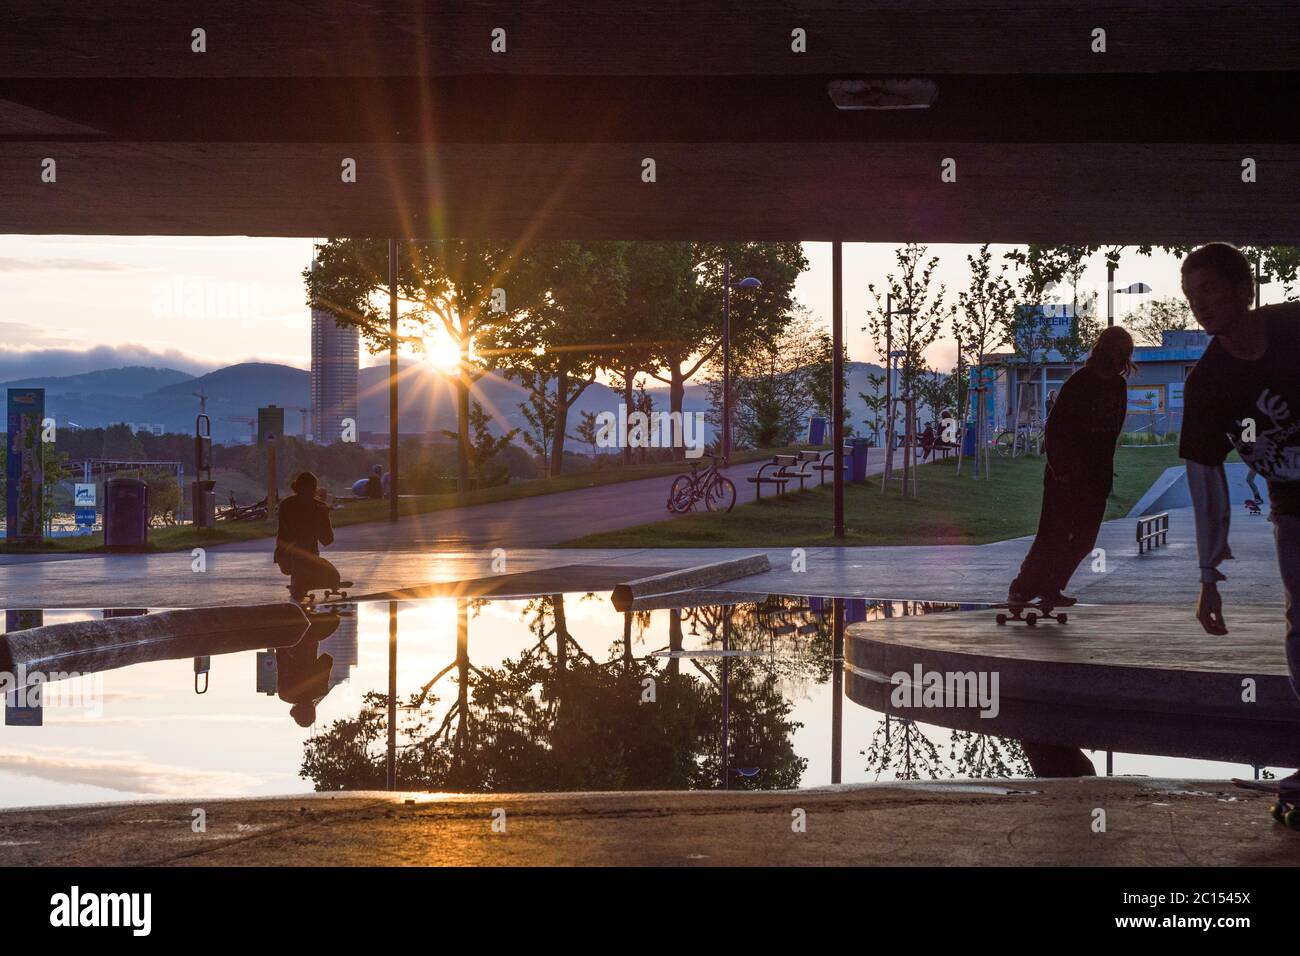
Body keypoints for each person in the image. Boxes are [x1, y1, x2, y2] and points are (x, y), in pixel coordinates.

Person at [1178, 242, 1300, 809]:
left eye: (1208, 289)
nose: (1198, 305)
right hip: (1293, 505)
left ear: (1243, 288)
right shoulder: (1208, 381)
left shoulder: (1295, 325)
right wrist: (1208, 576)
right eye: (1189, 295)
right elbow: (1205, 480)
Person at [1007, 326, 1135, 607]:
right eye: (1120, 350)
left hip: (1097, 476)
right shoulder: (1080, 382)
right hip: (1065, 475)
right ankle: (1022, 588)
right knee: (1053, 534)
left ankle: (1052, 586)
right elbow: (1054, 428)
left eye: (1126, 352)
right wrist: (1060, 468)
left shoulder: (1118, 386)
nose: (1123, 357)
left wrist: (1104, 470)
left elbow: (1113, 430)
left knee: (1084, 539)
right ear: (1106, 350)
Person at [274, 471, 341, 602]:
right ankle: (299, 584)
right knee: (300, 554)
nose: (309, 495)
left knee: (334, 577)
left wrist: (324, 517)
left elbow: (327, 540)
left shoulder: (316, 507)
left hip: (305, 557)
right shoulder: (289, 506)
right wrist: (317, 515)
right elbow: (293, 534)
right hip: (289, 557)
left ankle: (302, 581)